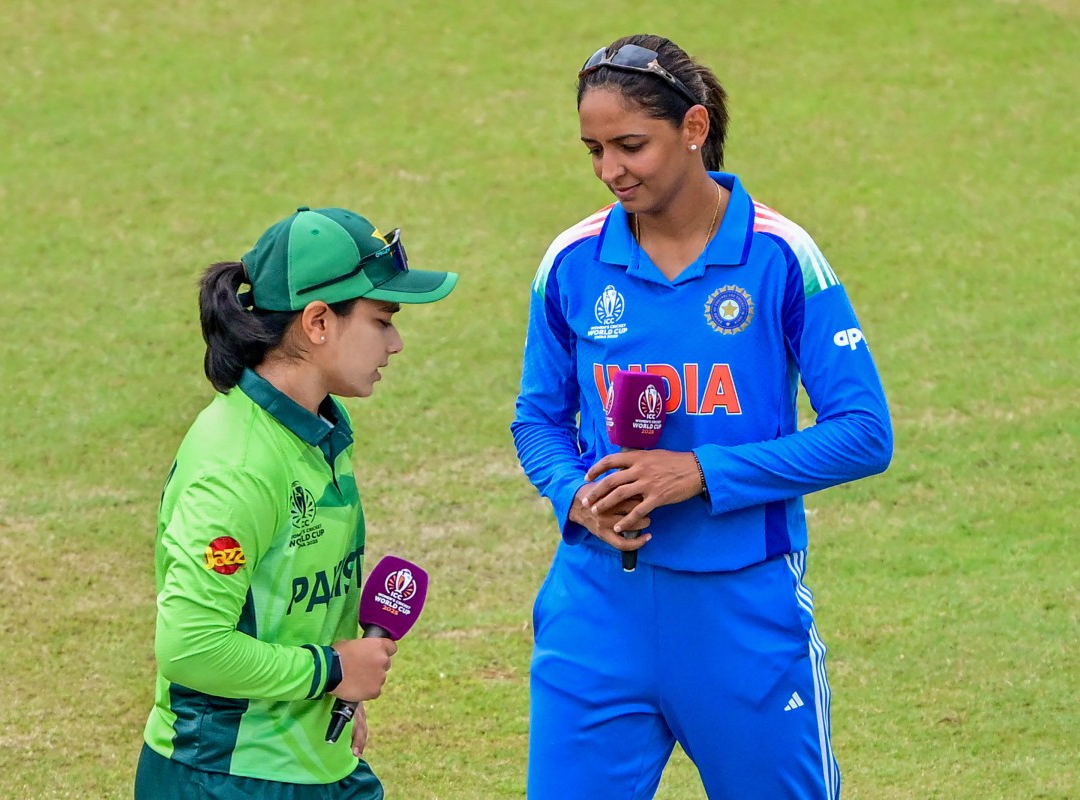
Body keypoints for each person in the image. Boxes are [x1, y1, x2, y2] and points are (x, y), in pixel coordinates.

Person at [511, 34, 893, 800]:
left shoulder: (780, 256)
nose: (610, 171)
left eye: (630, 145)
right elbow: (538, 419)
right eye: (593, 150)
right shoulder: (573, 262)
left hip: (741, 612)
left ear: (693, 128)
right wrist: (573, 497)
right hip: (595, 610)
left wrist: (699, 473)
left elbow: (863, 432)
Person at [135, 206, 457, 799]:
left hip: (313, 763)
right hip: (228, 778)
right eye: (382, 319)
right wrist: (331, 671)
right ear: (317, 322)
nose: (397, 342)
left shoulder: (318, 431)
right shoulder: (237, 467)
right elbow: (191, 648)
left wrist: (333, 690)